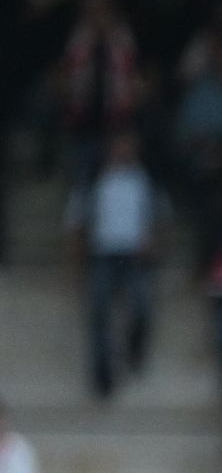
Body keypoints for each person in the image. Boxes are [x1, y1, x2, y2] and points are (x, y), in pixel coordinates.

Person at [73, 130, 158, 400]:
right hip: (103, 254)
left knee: (142, 306)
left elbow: (154, 216)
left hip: (133, 255)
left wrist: (150, 240)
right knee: (99, 314)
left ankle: (134, 349)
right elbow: (79, 222)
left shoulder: (143, 180)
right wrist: (76, 264)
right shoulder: (94, 181)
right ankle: (103, 375)